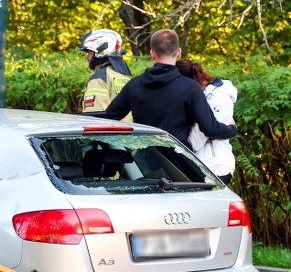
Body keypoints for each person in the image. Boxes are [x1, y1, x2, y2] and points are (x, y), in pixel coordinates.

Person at [103, 29, 237, 147]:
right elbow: (210, 128)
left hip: (145, 163)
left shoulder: (134, 85)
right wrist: (232, 129)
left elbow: (109, 118)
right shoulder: (190, 88)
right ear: (178, 52)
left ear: (152, 53)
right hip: (178, 167)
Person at [176, 58, 237, 183]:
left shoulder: (216, 97)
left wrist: (184, 144)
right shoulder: (206, 94)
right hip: (207, 164)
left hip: (214, 166)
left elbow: (205, 131)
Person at [79, 29, 132, 115]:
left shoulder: (98, 79)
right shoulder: (125, 76)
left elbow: (94, 117)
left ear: (101, 50)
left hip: (111, 128)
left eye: (89, 51)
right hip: (131, 128)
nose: (87, 56)